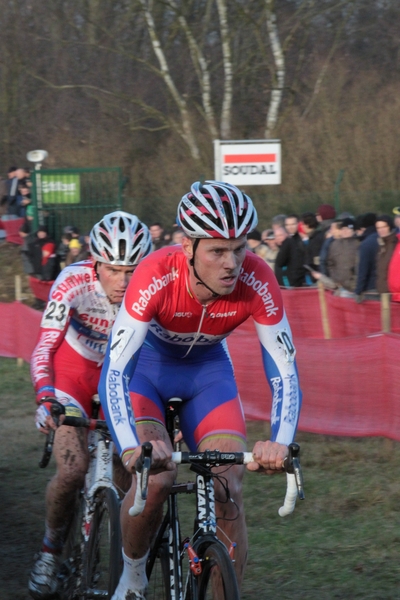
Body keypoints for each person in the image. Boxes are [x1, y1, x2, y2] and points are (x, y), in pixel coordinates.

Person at [98, 180, 302, 600]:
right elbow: (116, 369)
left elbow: (284, 370)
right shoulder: (155, 273)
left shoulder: (258, 279)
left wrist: (280, 444)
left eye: (240, 248)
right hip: (147, 374)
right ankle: (133, 578)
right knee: (156, 476)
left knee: (230, 481)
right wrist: (128, 446)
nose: (232, 264)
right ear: (188, 247)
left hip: (207, 375)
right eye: (217, 250)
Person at [28, 211, 152, 600]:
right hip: (73, 373)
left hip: (121, 374)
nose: (124, 281)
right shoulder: (72, 281)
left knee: (125, 475)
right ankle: (50, 551)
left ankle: (123, 559)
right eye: (114, 270)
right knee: (72, 469)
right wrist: (46, 394)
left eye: (132, 270)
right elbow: (45, 346)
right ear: (96, 262)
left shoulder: (152, 286)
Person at [275, 214, 306, 287]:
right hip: (294, 283)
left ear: (299, 224)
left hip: (298, 283)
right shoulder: (289, 241)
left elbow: (280, 262)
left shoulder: (291, 241)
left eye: (293, 224)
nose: (290, 227)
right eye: (287, 225)